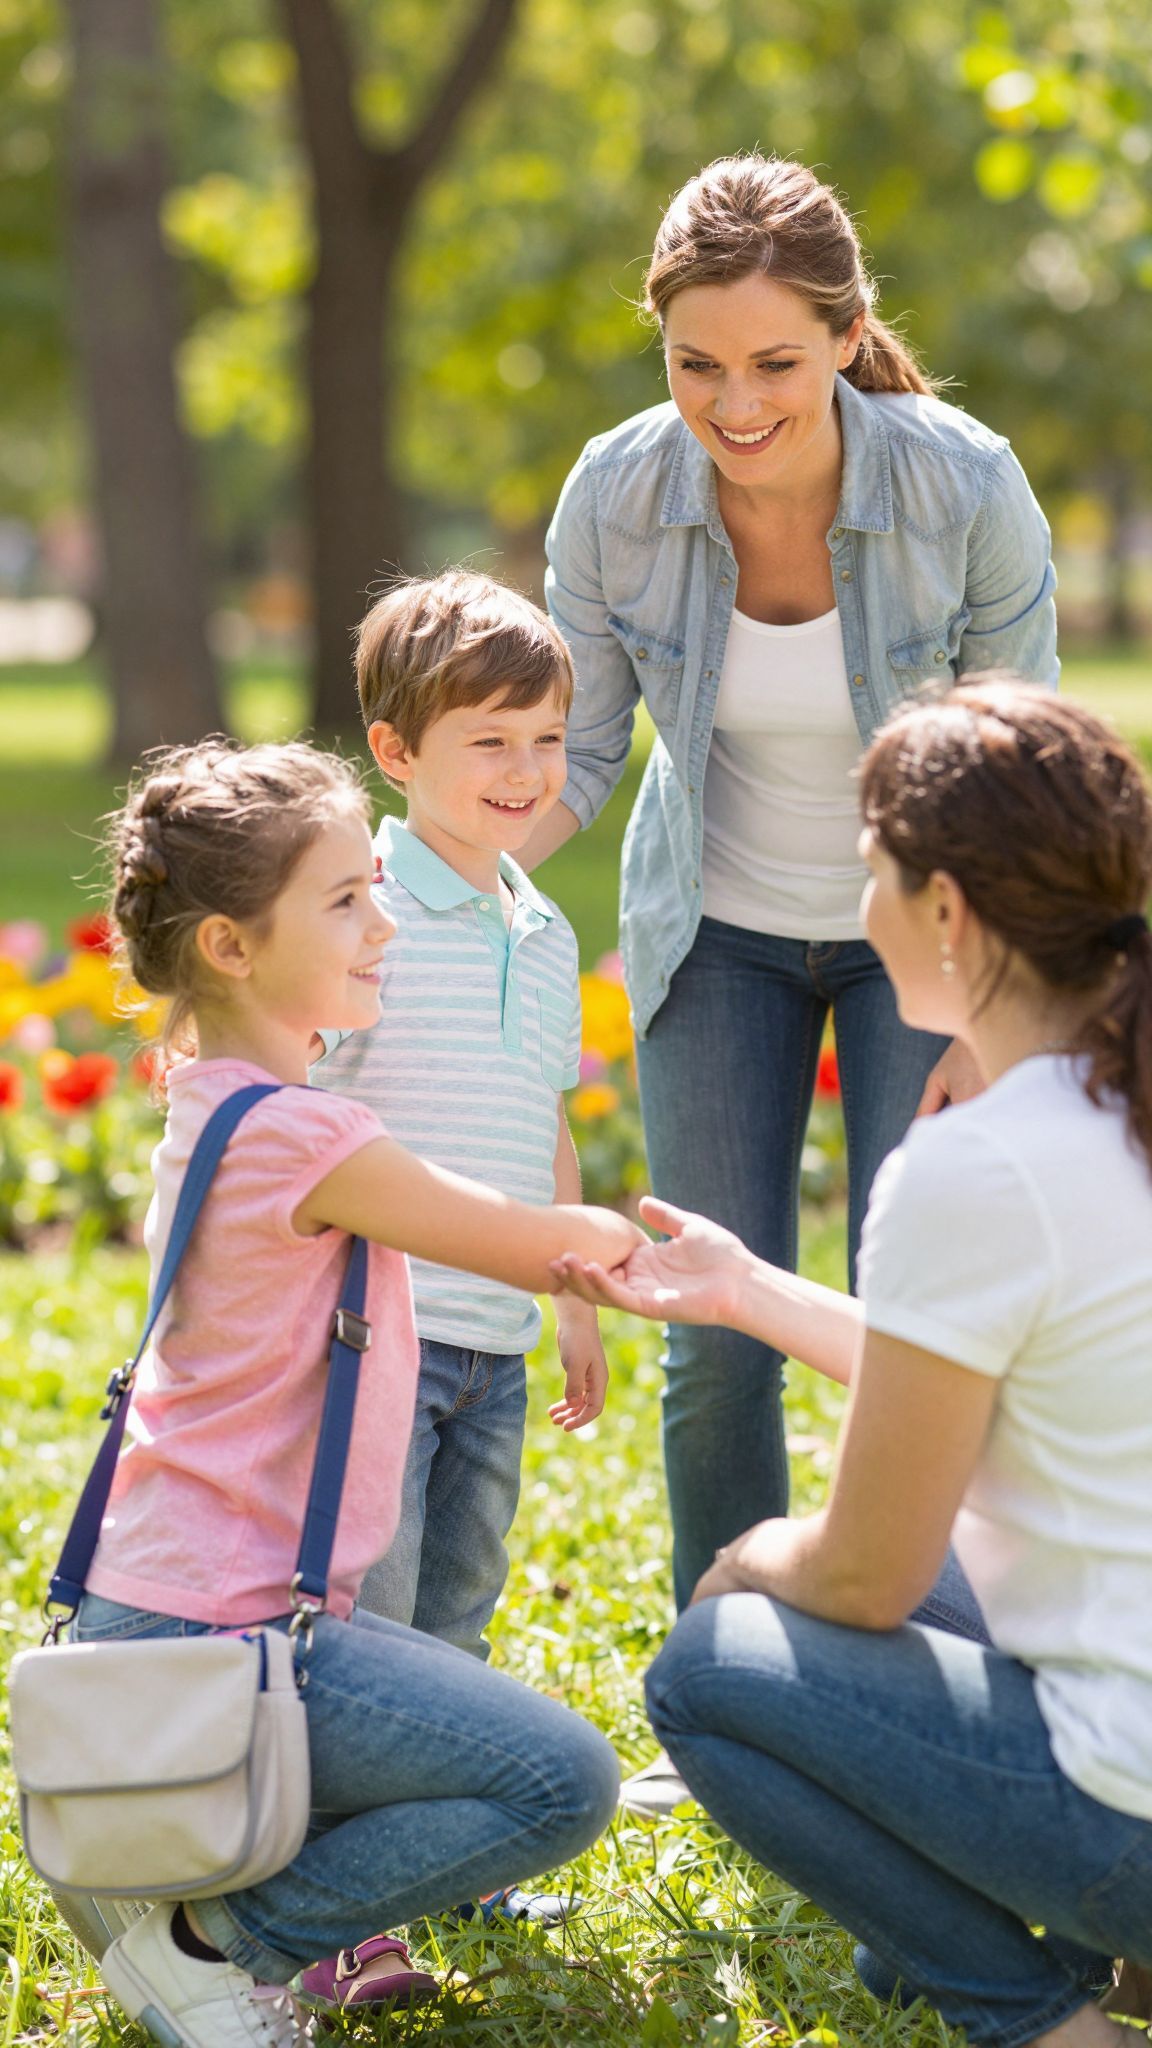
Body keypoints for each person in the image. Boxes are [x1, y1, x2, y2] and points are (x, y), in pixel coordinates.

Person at [521, 157, 1060, 1749]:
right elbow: (580, 763)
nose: (732, 402)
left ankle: (945, 1682)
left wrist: (992, 1017)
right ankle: (737, 1706)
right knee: (711, 1327)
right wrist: (423, 891)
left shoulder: (964, 485)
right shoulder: (618, 496)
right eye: (696, 363)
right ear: (662, 350)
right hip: (721, 935)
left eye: (772, 360)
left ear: (843, 335)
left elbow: (1015, 774)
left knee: (928, 1322)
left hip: (930, 947)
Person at [554, 679, 1152, 2048]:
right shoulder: (1105, 1105)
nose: (857, 898)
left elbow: (870, 1574)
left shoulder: (977, 1164)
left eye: (871, 867)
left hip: (1137, 1819)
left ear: (944, 914)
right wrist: (749, 1289)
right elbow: (1019, 1369)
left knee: (715, 1662)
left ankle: (1048, 2025)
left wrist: (752, 1553)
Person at [77, 738, 638, 2048]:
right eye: (345, 899)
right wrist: (675, 1262)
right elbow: (530, 1239)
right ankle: (218, 1943)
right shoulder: (310, 1135)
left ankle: (208, 1895)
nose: (384, 918)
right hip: (232, 1638)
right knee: (564, 1783)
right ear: (229, 946)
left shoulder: (216, 1099)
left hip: (157, 1612)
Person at [312, 569, 606, 1934]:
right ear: (394, 751)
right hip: (374, 1336)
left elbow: (542, 1116)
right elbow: (290, 1117)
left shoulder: (542, 928)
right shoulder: (357, 910)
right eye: (487, 740)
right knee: (364, 1630)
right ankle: (336, 1902)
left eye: (545, 738)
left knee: (460, 1621)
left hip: (496, 1345)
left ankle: (442, 1871)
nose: (524, 769)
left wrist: (578, 1297)